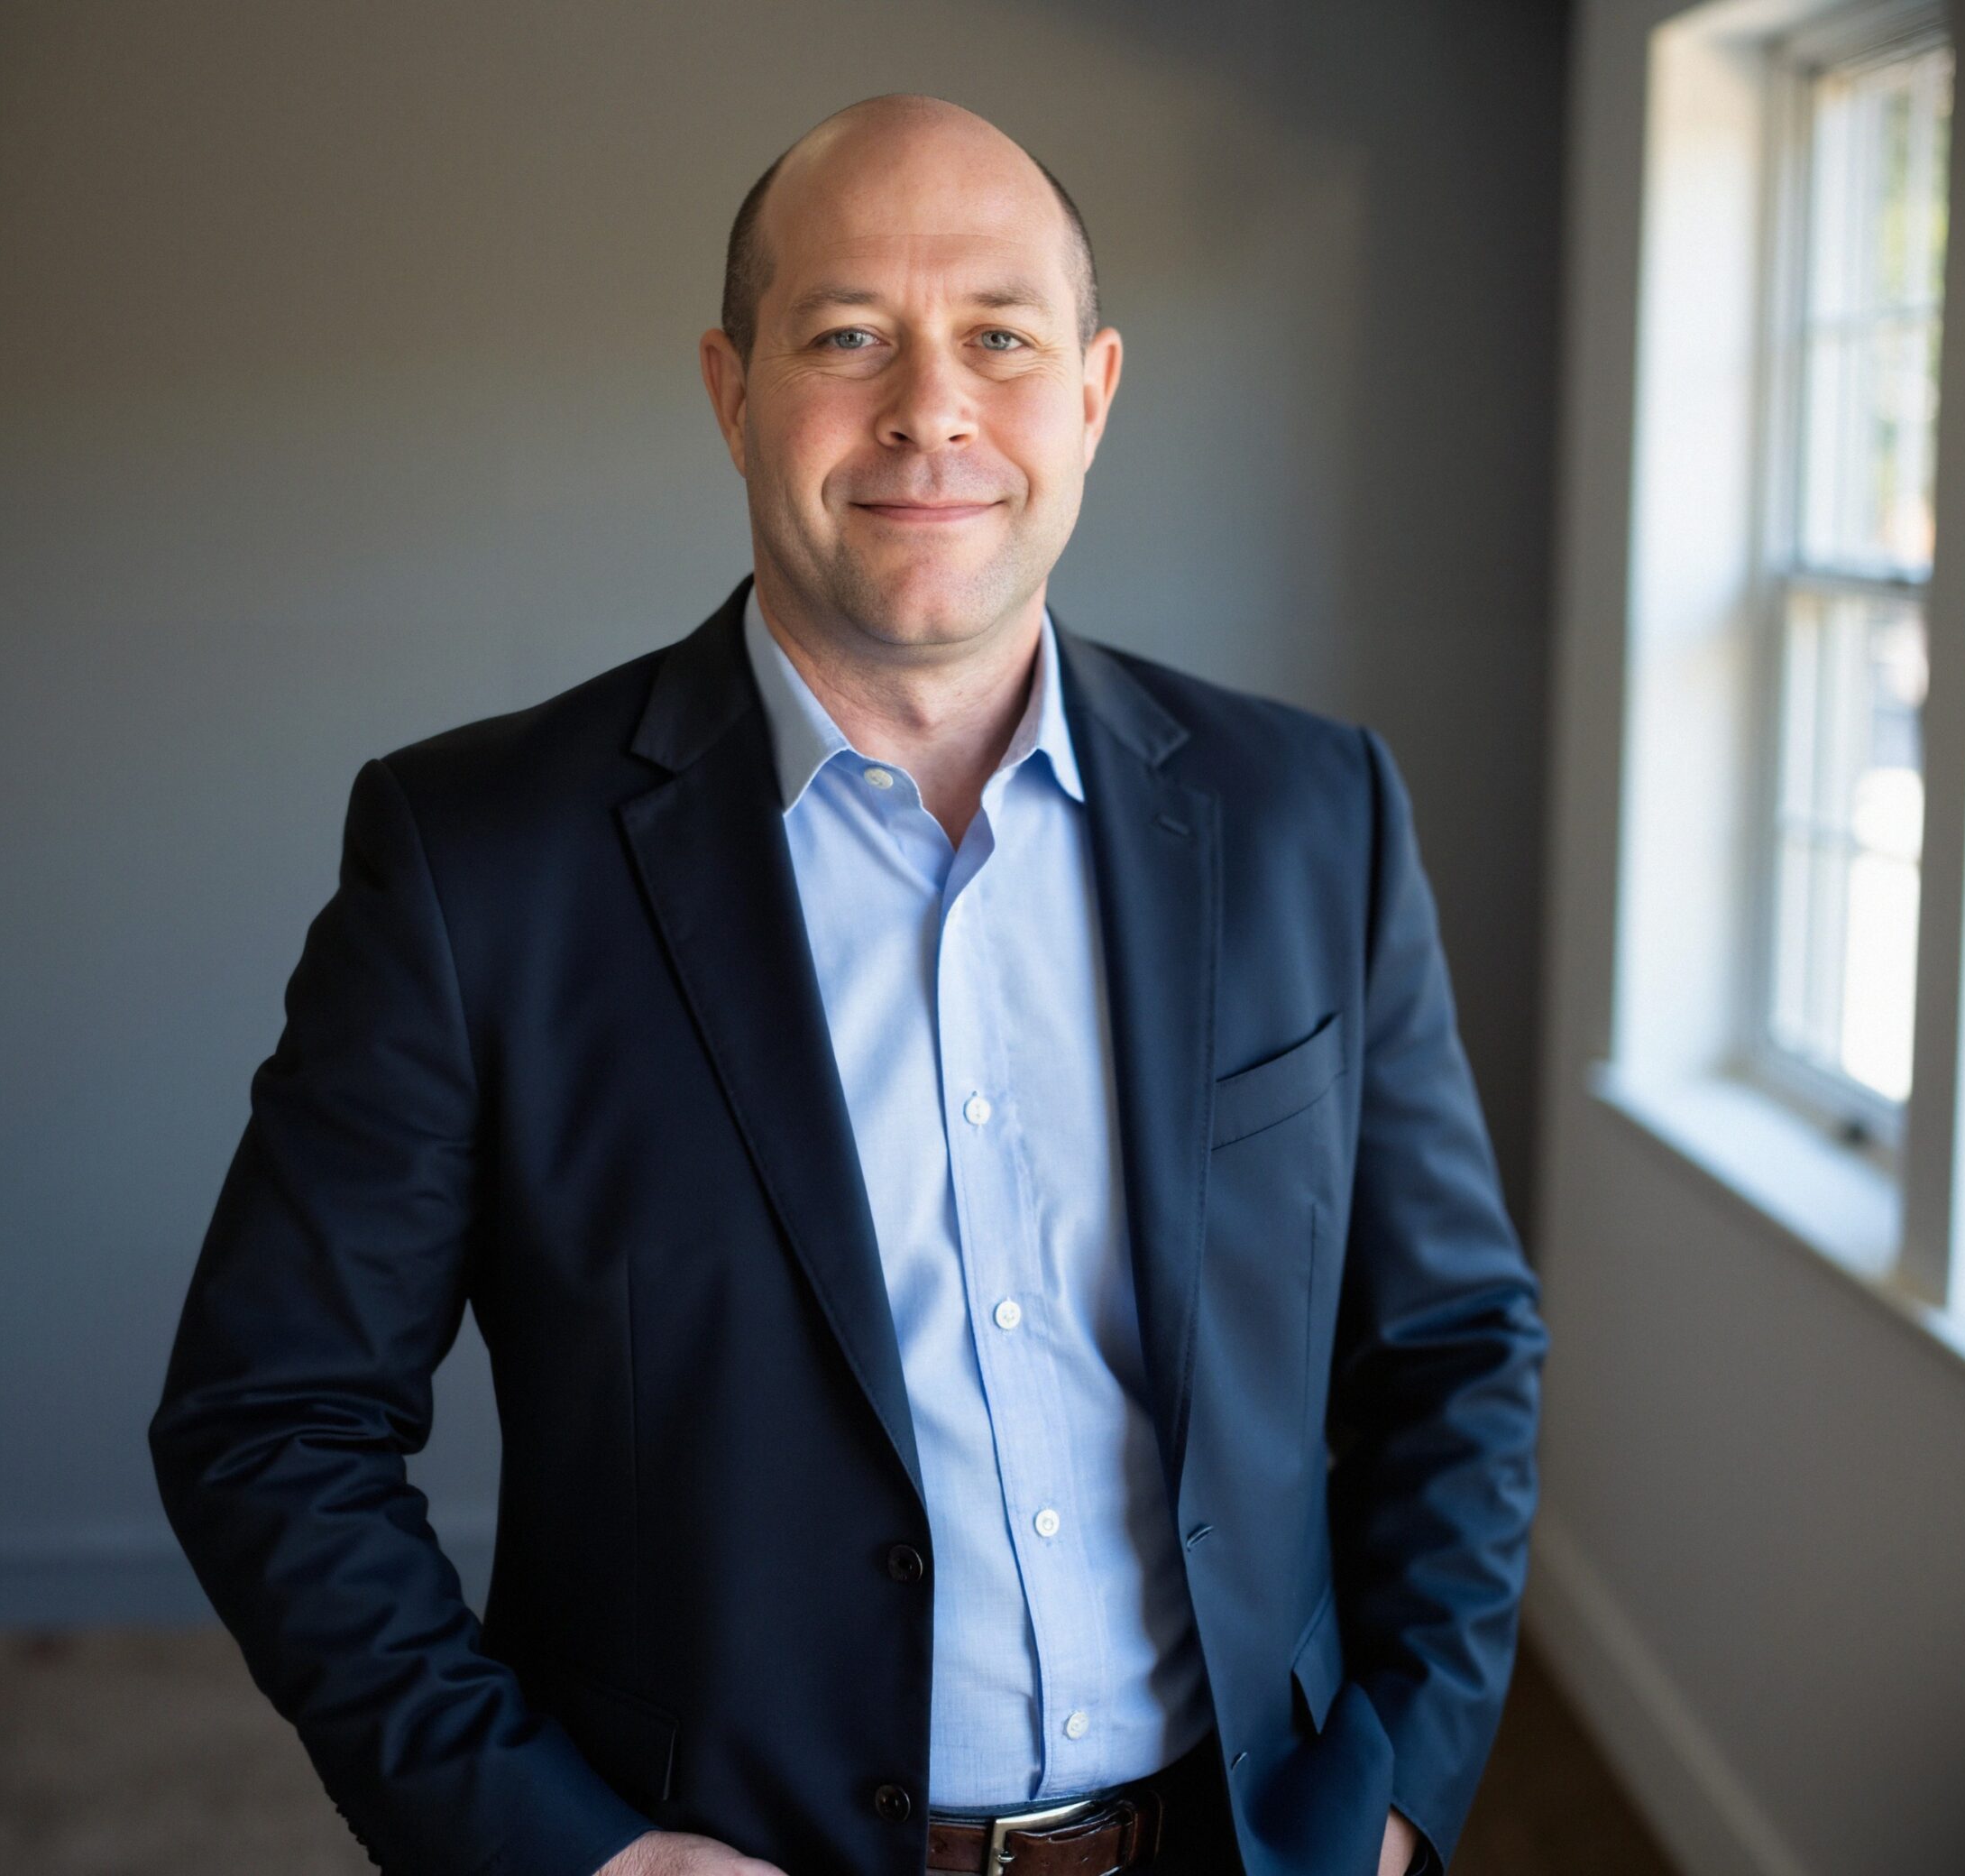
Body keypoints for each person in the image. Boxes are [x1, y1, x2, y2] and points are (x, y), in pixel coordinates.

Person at [150, 92, 1545, 1876]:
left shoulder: (1306, 814)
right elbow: (270, 1414)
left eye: (997, 337)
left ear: (1093, 391)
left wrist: (1403, 1777)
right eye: (846, 336)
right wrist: (555, 1850)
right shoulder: (472, 856)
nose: (928, 408)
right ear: (732, 393)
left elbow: (1451, 1340)